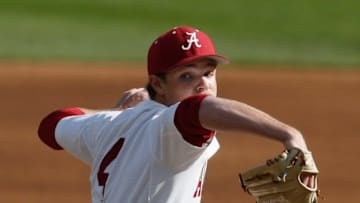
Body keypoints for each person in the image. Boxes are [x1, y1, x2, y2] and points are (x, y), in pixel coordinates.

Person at [38, 26, 315, 203]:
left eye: (208, 73)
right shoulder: (168, 132)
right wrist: (289, 134)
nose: (202, 84)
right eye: (186, 75)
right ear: (158, 84)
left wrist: (118, 113)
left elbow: (52, 125)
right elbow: (198, 109)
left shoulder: (107, 124)